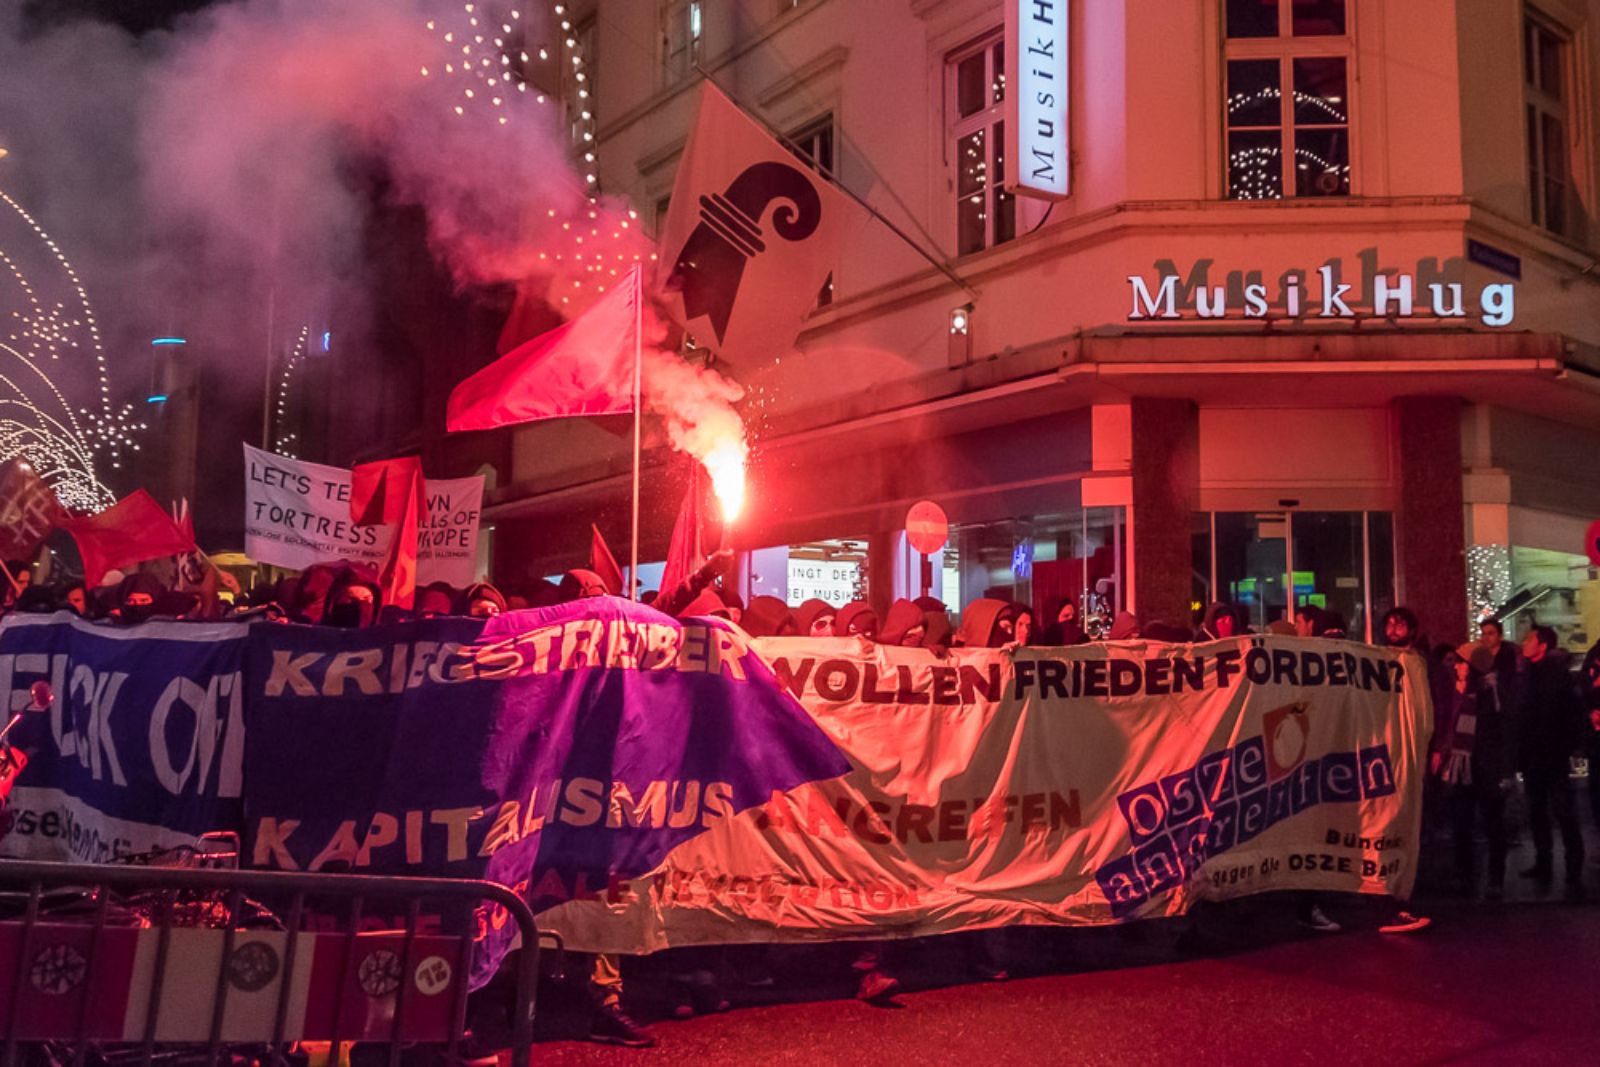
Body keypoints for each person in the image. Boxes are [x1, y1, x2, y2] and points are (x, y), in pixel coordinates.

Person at [1433, 644, 1516, 899]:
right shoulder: (1458, 691)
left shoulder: (1493, 692)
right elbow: (1448, 725)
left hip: (1487, 768)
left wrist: (1506, 771)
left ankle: (1495, 878)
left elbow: (1507, 734)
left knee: (1493, 825)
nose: (1456, 666)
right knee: (1462, 823)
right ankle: (1465, 876)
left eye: (1461, 662)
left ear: (1473, 667)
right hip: (1463, 768)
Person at [1516, 625, 1586, 897]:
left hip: (1552, 754)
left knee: (1562, 811)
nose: (1524, 643)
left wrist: (1569, 746)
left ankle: (1571, 868)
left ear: (1541, 644)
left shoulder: (1555, 675)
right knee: (1539, 811)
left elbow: (1571, 713)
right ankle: (1546, 863)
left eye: (1529, 639)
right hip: (1536, 754)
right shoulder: (1529, 674)